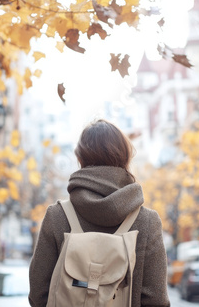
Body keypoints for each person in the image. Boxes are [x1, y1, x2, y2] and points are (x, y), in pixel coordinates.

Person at [28, 119, 170, 307]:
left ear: (80, 159)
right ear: (126, 158)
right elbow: (156, 300)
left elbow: (38, 294)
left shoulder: (57, 216)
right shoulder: (147, 221)